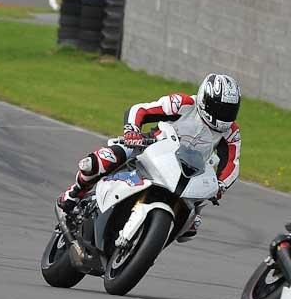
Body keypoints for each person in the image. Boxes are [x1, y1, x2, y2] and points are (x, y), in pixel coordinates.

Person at [57, 73, 242, 241]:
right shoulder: (183, 104)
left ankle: (149, 244)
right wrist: (132, 131)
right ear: (205, 99)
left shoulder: (231, 132)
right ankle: (74, 194)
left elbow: (232, 163)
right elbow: (141, 110)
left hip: (189, 172)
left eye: (229, 110)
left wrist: (221, 185)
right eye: (220, 108)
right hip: (151, 148)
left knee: (191, 224)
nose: (224, 115)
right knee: (102, 161)